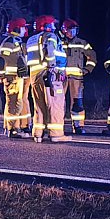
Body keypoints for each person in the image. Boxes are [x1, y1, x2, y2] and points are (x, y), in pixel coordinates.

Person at [26, 15, 71, 143]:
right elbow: (50, 50)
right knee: (56, 103)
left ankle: (38, 134)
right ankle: (56, 134)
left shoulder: (31, 39)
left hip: (35, 74)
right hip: (49, 73)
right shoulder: (50, 36)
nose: (54, 27)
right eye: (52, 24)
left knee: (39, 105)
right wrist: (52, 67)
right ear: (46, 26)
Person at [58, 19, 97, 134]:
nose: (72, 33)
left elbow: (92, 56)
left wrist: (87, 69)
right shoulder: (58, 42)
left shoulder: (82, 43)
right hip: (61, 77)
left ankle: (78, 126)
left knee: (77, 102)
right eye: (70, 30)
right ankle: (57, 125)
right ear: (64, 30)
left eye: (74, 30)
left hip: (77, 78)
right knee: (58, 102)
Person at [0, 18, 32, 138]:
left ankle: (15, 127)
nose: (25, 30)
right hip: (12, 78)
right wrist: (1, 76)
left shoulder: (16, 41)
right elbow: (2, 61)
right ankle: (13, 129)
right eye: (23, 27)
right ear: (16, 29)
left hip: (17, 77)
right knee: (14, 103)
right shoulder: (9, 42)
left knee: (16, 102)